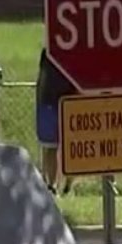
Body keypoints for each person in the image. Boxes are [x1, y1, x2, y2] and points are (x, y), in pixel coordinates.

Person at [35, 48, 77, 194]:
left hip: (71, 102)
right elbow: (42, 77)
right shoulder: (47, 52)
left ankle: (68, 185)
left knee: (72, 146)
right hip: (49, 101)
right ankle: (50, 185)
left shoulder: (75, 49)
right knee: (50, 146)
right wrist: (39, 99)